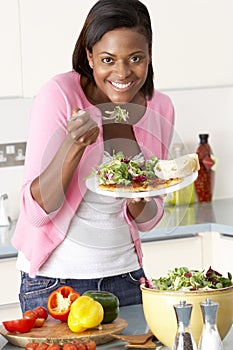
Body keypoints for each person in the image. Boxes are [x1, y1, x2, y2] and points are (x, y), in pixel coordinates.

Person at [12, 0, 175, 313]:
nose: (123, 72)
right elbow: (37, 211)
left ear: (149, 54)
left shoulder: (160, 108)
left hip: (127, 279)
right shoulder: (60, 95)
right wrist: (74, 146)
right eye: (108, 59)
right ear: (90, 56)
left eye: (136, 58)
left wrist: (138, 198)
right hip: (55, 284)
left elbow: (150, 218)